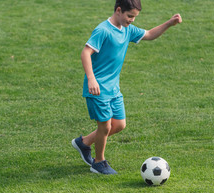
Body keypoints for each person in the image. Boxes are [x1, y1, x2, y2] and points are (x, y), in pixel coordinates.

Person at [72, 0, 182, 174]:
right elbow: (86, 52)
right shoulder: (103, 30)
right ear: (118, 10)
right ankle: (98, 162)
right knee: (105, 126)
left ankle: (83, 143)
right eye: (130, 16)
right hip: (98, 88)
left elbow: (149, 34)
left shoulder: (127, 29)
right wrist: (91, 79)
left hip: (113, 88)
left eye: (134, 17)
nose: (132, 20)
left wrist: (169, 23)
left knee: (119, 125)